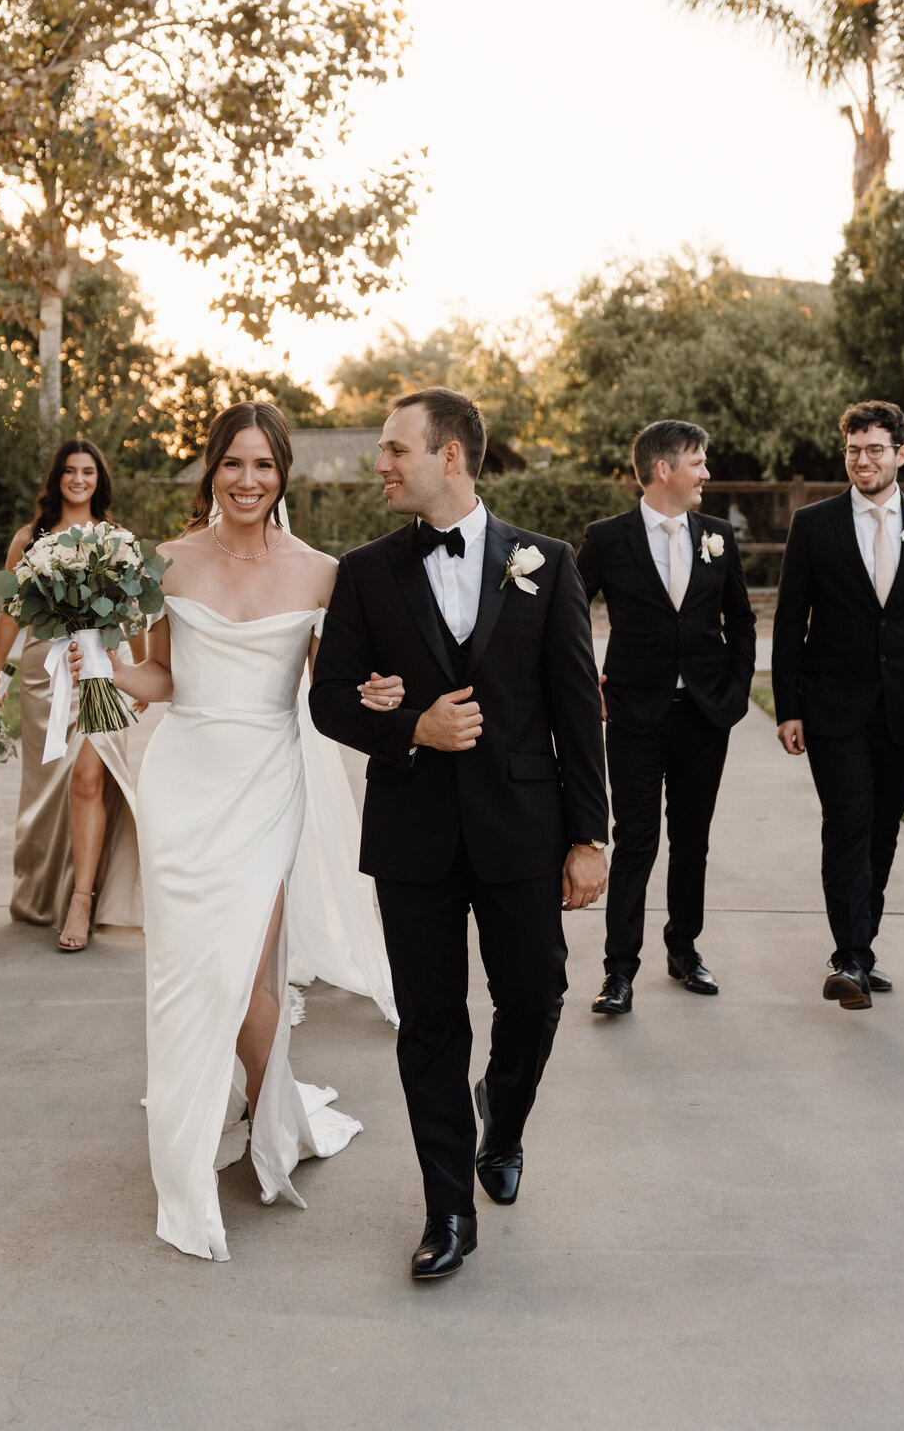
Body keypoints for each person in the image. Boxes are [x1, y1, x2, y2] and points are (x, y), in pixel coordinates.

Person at [70, 401, 399, 1262]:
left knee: (249, 967)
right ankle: (214, 1137)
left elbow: (336, 687)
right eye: (232, 465)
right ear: (210, 471)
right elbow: (163, 678)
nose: (247, 481)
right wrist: (96, 660)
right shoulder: (165, 563)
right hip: (187, 779)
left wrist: (378, 695)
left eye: (263, 466)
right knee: (185, 967)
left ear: (283, 472)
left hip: (267, 782)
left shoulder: (325, 573)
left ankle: (266, 1116)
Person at [310, 388, 609, 1282]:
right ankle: (446, 1207)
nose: (381, 464)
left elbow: (574, 709)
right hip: (414, 836)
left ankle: (502, 1122)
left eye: (396, 449)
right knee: (430, 1023)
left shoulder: (546, 564)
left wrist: (590, 835)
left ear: (449, 457)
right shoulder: (363, 571)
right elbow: (330, 701)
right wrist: (409, 730)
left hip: (524, 826)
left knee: (536, 996)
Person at [773, 401, 904, 1009]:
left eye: (876, 449)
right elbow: (790, 620)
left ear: (901, 454)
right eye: (854, 449)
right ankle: (848, 955)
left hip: (902, 705)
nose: (863, 460)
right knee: (847, 822)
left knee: (882, 833)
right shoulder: (813, 525)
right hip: (831, 706)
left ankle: (861, 951)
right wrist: (790, 706)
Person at [578, 420, 755, 1015]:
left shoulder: (718, 535)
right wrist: (588, 682)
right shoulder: (607, 538)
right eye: (698, 462)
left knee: (692, 840)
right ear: (664, 469)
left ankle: (684, 948)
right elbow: (566, 614)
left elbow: (743, 621)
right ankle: (619, 971)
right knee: (636, 841)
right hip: (632, 714)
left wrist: (733, 693)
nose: (706, 473)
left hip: (705, 714)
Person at [0, 439, 147, 952]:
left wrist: (142, 670)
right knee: (49, 790)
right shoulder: (29, 538)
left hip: (103, 672)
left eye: (89, 471)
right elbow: (10, 612)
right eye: (70, 471)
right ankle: (46, 890)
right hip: (44, 675)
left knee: (88, 780)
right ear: (57, 478)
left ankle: (82, 899)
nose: (79, 479)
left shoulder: (119, 539)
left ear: (100, 479)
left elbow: (136, 608)